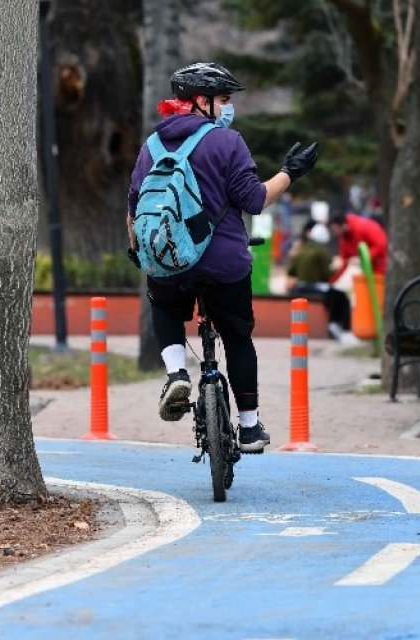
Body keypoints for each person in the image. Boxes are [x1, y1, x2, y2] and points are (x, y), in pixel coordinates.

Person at [127, 62, 319, 454]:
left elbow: (134, 208)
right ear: (201, 102)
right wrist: (290, 172)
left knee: (164, 305)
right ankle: (248, 427)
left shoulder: (152, 146)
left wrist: (139, 252)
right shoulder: (228, 142)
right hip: (224, 263)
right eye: (223, 100)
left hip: (169, 262)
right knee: (237, 337)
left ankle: (177, 372)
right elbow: (255, 200)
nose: (228, 108)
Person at [288, 221, 357, 345]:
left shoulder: (301, 250)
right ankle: (338, 326)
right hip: (316, 286)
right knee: (341, 297)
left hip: (300, 287)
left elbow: (291, 271)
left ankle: (336, 326)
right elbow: (327, 275)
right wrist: (337, 267)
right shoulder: (321, 251)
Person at [326, 208, 388, 284]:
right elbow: (345, 260)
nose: (335, 233)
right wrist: (333, 281)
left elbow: (381, 245)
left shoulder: (364, 227)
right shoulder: (343, 237)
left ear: (343, 225)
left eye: (335, 229)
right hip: (365, 272)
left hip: (378, 271)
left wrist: (362, 259)